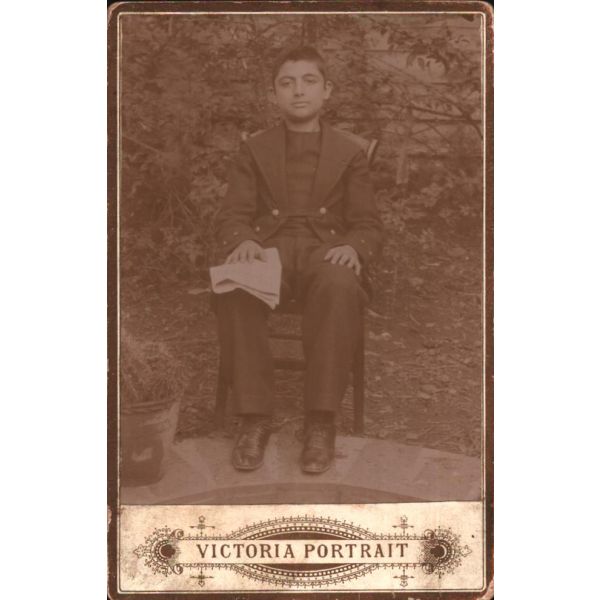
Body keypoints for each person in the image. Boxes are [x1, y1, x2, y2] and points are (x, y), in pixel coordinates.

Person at [214, 46, 383, 474]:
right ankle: (254, 417)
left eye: (309, 81)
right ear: (273, 94)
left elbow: (367, 222)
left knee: (339, 285)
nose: (298, 91)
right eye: (286, 83)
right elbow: (233, 214)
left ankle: (321, 420)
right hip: (268, 247)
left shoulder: (349, 151)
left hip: (324, 249)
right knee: (238, 285)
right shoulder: (254, 149)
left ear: (328, 91)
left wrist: (354, 247)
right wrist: (243, 239)